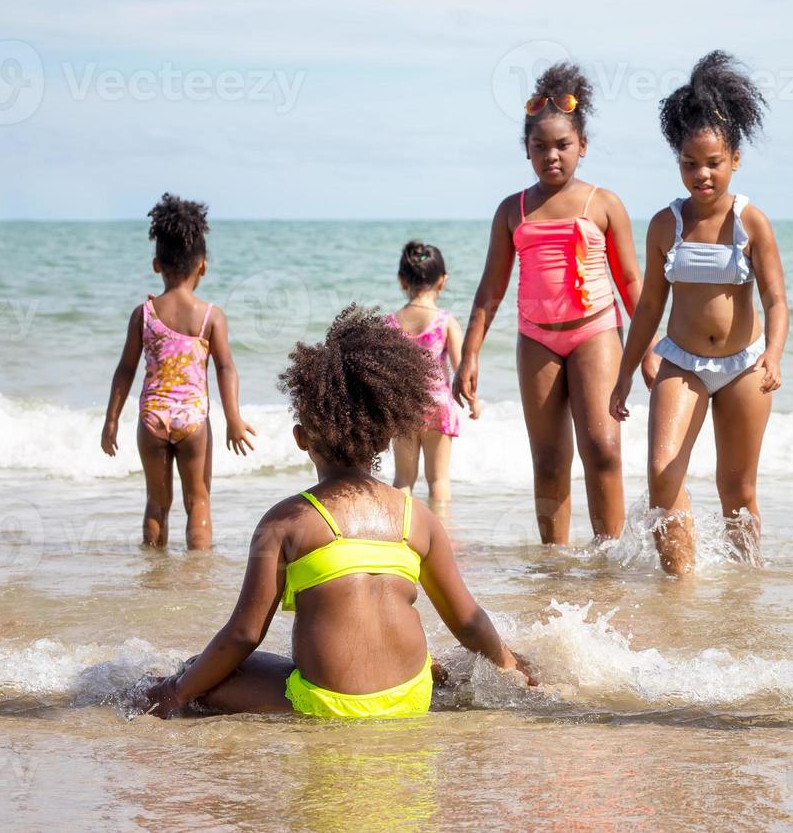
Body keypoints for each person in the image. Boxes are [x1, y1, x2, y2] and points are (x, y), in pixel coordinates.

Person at [141, 305, 534, 719]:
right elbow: (469, 622)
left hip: (330, 705)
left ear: (300, 438)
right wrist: (510, 665)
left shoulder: (284, 522)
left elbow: (243, 635)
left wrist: (178, 692)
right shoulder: (417, 517)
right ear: (385, 437)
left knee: (198, 672)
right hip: (412, 698)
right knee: (438, 658)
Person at [453, 62, 654, 545]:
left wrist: (648, 350)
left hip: (596, 332)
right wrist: (470, 353)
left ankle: (610, 556)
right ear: (526, 151)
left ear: (582, 146)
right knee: (547, 460)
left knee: (603, 448)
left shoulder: (603, 204)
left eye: (562, 145)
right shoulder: (512, 210)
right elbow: (491, 289)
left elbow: (631, 281)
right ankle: (555, 564)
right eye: (540, 147)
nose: (552, 156)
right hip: (536, 340)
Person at [610, 52, 789, 574]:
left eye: (713, 162)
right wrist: (624, 374)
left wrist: (774, 356)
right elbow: (648, 307)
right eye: (690, 163)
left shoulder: (751, 222)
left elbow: (777, 300)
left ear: (735, 159)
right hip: (681, 362)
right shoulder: (666, 224)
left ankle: (744, 589)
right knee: (663, 476)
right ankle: (680, 585)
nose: (702, 173)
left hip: (744, 367)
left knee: (737, 488)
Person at [101, 193, 254, 550]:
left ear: (157, 265)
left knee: (156, 503)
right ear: (203, 266)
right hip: (192, 420)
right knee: (198, 501)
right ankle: (197, 579)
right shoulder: (209, 315)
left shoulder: (145, 314)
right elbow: (226, 368)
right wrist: (234, 418)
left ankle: (154, 576)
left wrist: (111, 420)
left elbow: (124, 369)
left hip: (152, 418)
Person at [386, 240, 477, 516]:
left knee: (403, 481)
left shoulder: (389, 323)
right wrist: (473, 402)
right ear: (442, 281)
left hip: (402, 409)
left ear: (402, 280)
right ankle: (441, 535)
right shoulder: (446, 322)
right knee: (438, 480)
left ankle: (401, 536)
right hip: (438, 407)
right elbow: (463, 371)